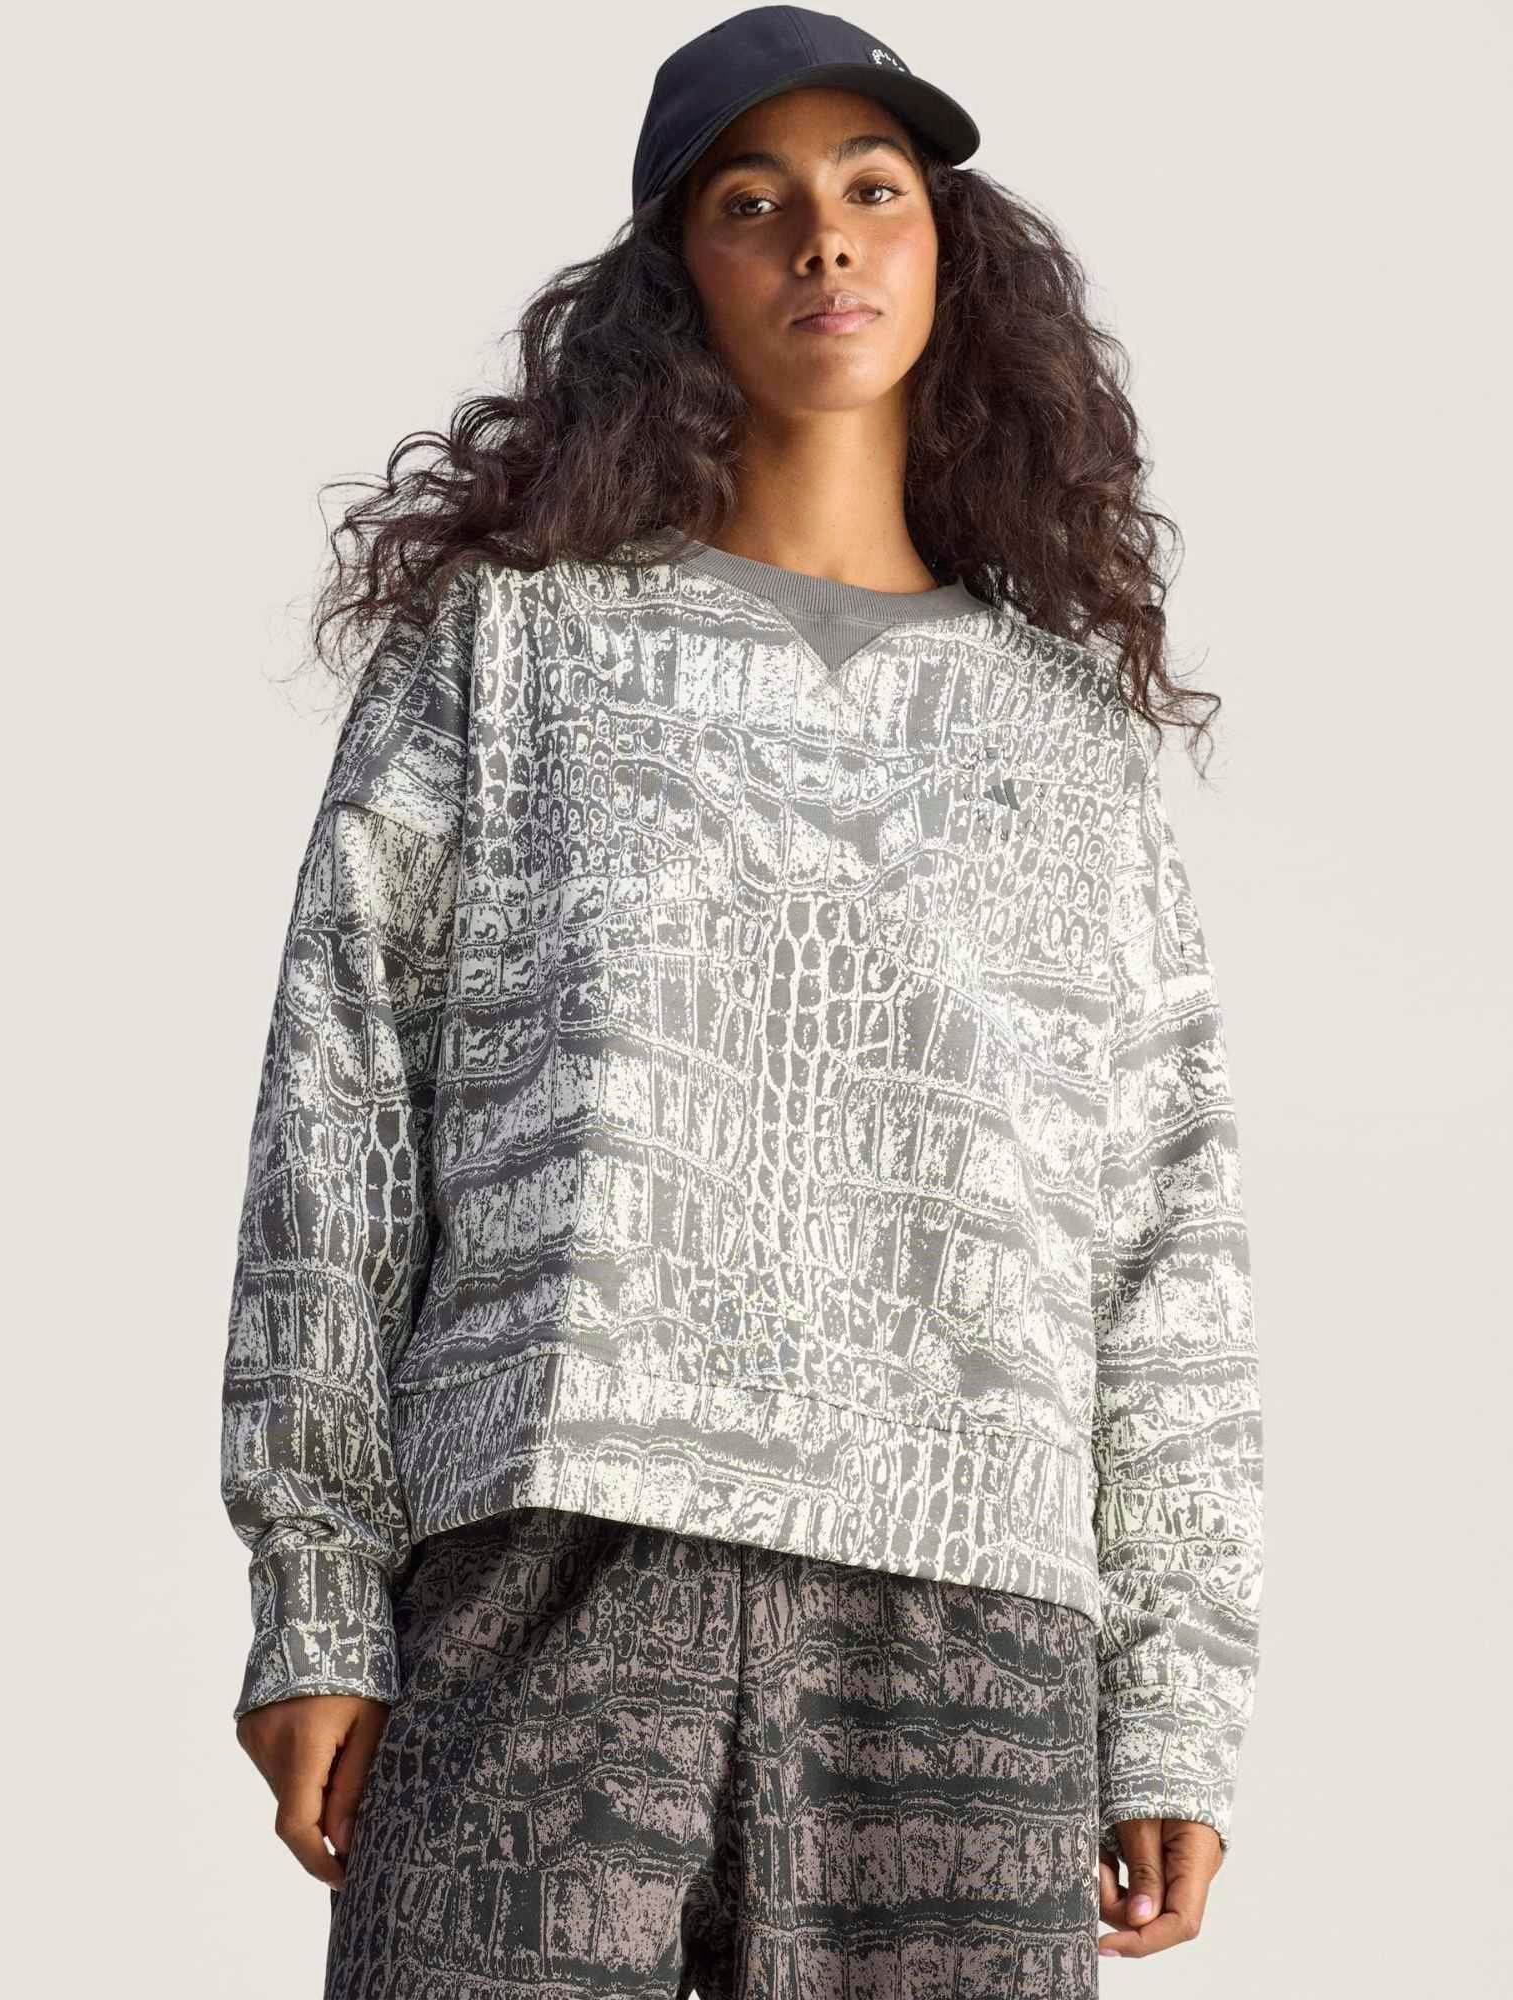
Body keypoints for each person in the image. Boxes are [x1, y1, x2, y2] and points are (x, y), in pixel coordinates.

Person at [218, 9, 1264, 1993]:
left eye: (874, 189)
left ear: (950, 255)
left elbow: (1165, 1236)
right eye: (751, 201)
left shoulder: (1065, 731)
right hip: (552, 1552)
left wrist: (1178, 1697)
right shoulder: (509, 653)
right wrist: (317, 1588)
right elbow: (336, 1119)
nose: (824, 238)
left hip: (968, 1608)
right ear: (672, 277)